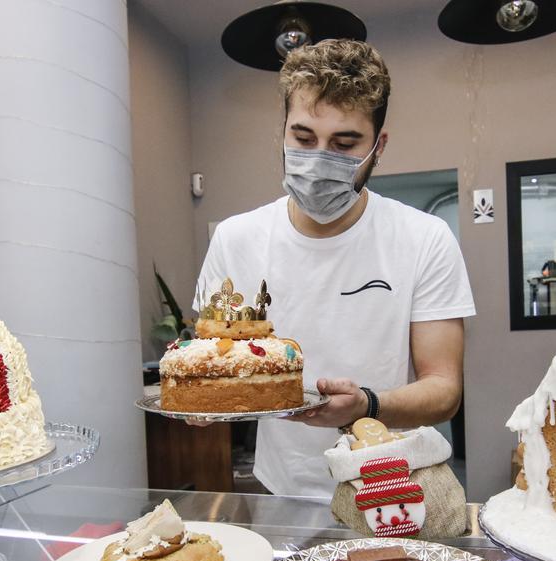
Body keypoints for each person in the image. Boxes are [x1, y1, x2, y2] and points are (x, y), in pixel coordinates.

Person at [193, 39, 474, 497]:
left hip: (389, 484)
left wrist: (367, 405)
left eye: (344, 144)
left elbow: (444, 390)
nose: (319, 157)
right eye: (303, 139)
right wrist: (204, 395)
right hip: (278, 488)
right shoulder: (236, 238)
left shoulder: (424, 238)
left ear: (378, 147)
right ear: (282, 130)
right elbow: (216, 360)